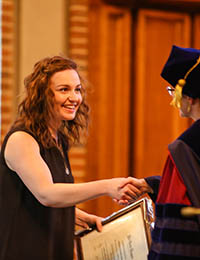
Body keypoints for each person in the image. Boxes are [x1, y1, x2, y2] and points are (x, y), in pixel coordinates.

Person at [0, 56, 143, 260]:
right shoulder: (22, 138)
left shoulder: (58, 140)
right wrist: (107, 186)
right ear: (42, 94)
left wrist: (77, 216)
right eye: (63, 89)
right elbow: (46, 194)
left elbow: (33, 199)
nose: (74, 97)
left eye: (77, 89)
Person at [133, 45, 200, 259]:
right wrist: (154, 185)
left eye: (174, 90)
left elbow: (181, 221)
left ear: (189, 96)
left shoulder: (187, 147)